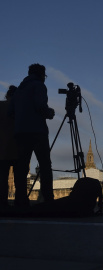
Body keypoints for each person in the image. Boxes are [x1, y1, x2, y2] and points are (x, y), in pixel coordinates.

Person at [8, 64, 55, 207]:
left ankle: (20, 201)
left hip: (21, 132)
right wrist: (50, 113)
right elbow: (40, 105)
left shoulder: (19, 90)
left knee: (21, 168)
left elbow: (10, 113)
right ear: (41, 74)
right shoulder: (39, 86)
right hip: (37, 131)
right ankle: (48, 200)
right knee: (45, 166)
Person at [0, 86, 18, 207]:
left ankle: (2, 203)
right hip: (17, 148)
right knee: (19, 179)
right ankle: (20, 202)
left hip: (2, 148)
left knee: (2, 178)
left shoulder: (1, 106)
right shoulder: (20, 108)